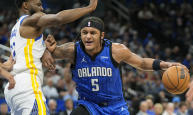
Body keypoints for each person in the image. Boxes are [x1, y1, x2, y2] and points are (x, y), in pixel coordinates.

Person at [44, 16, 185, 115]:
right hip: (89, 105)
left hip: (115, 106)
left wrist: (163, 64)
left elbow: (141, 62)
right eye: (84, 33)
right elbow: (50, 51)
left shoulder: (116, 50)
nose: (88, 36)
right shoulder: (73, 50)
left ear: (102, 35)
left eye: (93, 33)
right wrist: (47, 50)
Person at [4, 0, 105, 115]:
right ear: (25, 5)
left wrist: (44, 49)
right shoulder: (30, 19)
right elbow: (58, 18)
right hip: (27, 86)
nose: (42, 9)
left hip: (12, 89)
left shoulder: (16, 28)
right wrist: (89, 8)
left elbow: (28, 50)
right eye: (38, 4)